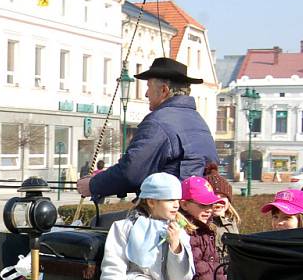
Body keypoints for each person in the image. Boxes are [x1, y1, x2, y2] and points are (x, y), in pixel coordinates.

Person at [77, 57, 218, 200]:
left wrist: (92, 185)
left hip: (170, 210)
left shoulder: (158, 122)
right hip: (199, 206)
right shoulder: (199, 121)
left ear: (164, 90)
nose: (146, 94)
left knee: (98, 221)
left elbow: (131, 172)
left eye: (148, 87)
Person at [170, 176, 226, 280]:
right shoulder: (186, 230)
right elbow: (198, 268)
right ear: (184, 204)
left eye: (211, 204)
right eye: (203, 204)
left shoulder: (205, 229)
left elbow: (215, 266)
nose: (209, 209)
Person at [204, 164, 239, 260]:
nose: (218, 199)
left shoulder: (232, 221)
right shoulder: (204, 224)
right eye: (213, 195)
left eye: (222, 196)